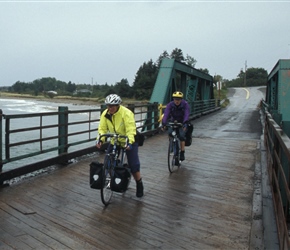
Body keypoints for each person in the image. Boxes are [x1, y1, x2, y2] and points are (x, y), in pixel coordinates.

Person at [96, 94, 144, 198]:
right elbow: (102, 128)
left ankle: (139, 184)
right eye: (108, 106)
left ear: (118, 105)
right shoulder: (105, 114)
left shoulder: (126, 113)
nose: (110, 108)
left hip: (128, 140)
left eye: (112, 106)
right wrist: (100, 139)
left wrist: (129, 142)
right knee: (107, 161)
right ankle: (112, 175)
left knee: (133, 165)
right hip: (115, 140)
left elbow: (131, 129)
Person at [162, 91, 190, 161]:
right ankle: (171, 143)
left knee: (182, 136)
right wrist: (164, 123)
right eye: (175, 99)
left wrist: (185, 122)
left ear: (181, 99)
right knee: (170, 132)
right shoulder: (170, 105)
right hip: (173, 120)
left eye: (178, 99)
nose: (177, 101)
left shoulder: (185, 104)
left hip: (182, 121)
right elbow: (166, 114)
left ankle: (182, 152)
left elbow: (186, 113)